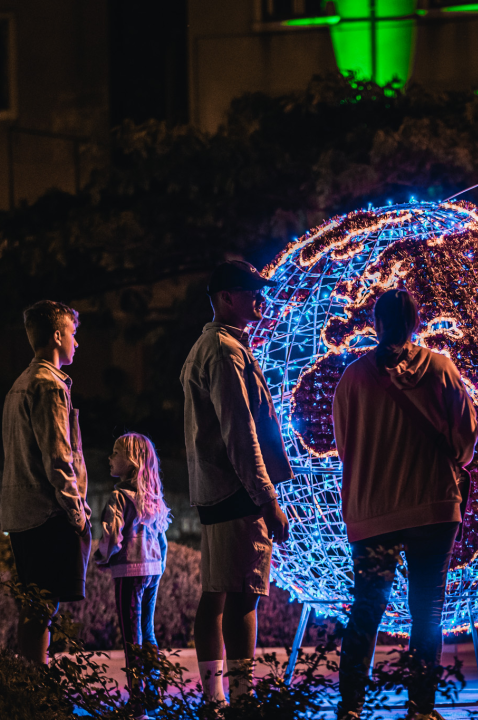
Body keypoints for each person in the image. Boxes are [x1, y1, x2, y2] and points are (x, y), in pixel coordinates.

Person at [332, 289, 478, 720]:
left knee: (366, 609)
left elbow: (344, 446)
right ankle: (420, 709)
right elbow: (466, 441)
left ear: (376, 324)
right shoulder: (441, 369)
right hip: (433, 507)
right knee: (427, 612)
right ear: (417, 323)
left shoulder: (353, 379)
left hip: (372, 511)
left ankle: (351, 708)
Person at [181, 260, 293, 705]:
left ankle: (215, 699)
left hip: (216, 490)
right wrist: (268, 499)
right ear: (227, 298)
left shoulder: (210, 346)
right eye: (251, 291)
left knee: (216, 594)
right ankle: (242, 701)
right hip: (236, 491)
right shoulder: (225, 351)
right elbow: (240, 433)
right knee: (244, 595)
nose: (260, 298)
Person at [1, 300, 91, 665]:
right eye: (73, 333)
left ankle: (29, 682)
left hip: (22, 513)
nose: (76, 342)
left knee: (35, 605)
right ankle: (36, 684)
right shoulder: (48, 386)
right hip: (46, 513)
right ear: (56, 336)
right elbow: (58, 459)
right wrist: (77, 513)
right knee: (42, 606)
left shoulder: (20, 385)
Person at [95, 433, 171, 714]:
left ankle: (137, 703)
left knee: (131, 636)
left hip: (129, 570)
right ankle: (154, 694)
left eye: (116, 453)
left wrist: (102, 557)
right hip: (152, 569)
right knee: (147, 631)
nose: (110, 457)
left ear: (131, 462)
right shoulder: (152, 498)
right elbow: (162, 539)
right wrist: (160, 567)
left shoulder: (119, 497)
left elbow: (112, 536)